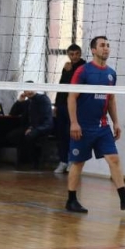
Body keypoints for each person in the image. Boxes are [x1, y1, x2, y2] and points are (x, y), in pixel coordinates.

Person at [65, 36, 125, 212]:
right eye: (102, 45)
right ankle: (71, 200)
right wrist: (74, 123)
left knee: (114, 159)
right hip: (83, 126)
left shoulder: (111, 74)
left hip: (102, 126)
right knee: (78, 163)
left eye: (108, 45)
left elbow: (111, 99)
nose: (106, 48)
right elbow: (71, 97)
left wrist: (116, 122)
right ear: (93, 50)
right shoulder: (83, 71)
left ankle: (124, 198)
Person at [53, 44, 84, 174]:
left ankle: (72, 160)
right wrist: (56, 104)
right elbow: (61, 86)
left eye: (77, 54)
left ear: (80, 54)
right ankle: (63, 161)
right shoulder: (66, 67)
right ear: (68, 55)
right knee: (61, 134)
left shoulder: (84, 67)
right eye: (72, 54)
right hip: (62, 105)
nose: (74, 57)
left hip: (75, 106)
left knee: (71, 133)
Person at [6, 84, 53, 169]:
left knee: (29, 135)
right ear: (24, 92)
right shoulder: (27, 102)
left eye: (32, 89)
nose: (30, 91)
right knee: (13, 135)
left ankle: (31, 163)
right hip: (29, 127)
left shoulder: (43, 99)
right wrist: (19, 101)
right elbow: (13, 113)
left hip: (42, 127)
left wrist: (33, 128)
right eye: (27, 90)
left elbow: (45, 120)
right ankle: (22, 161)